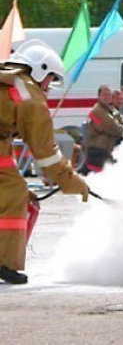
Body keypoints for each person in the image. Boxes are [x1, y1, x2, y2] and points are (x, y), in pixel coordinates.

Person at [0, 40, 89, 284]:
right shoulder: (30, 96)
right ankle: (5, 263)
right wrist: (71, 181)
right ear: (39, 70)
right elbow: (46, 154)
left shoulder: (7, 82)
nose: (49, 87)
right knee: (15, 193)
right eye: (50, 79)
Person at [84, 85, 123, 173]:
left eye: (109, 95)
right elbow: (117, 129)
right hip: (98, 155)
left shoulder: (111, 109)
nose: (107, 97)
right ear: (99, 96)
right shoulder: (98, 111)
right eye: (104, 95)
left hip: (108, 152)